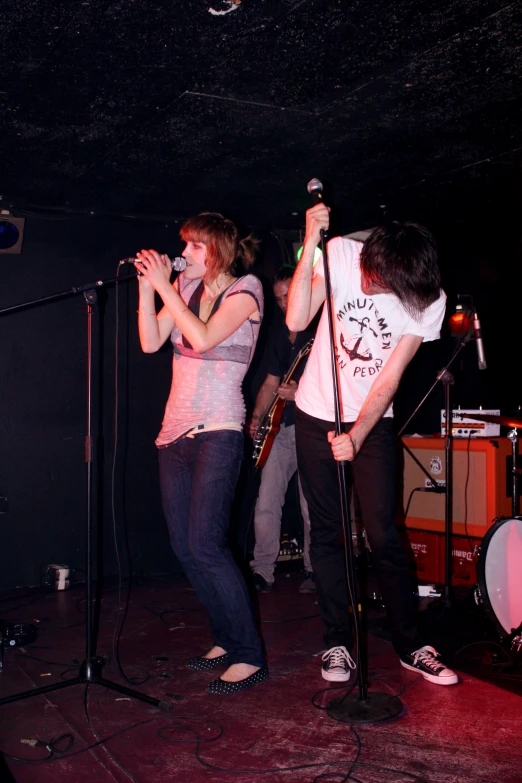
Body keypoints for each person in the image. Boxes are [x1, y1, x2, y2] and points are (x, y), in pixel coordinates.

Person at [286, 202, 459, 686]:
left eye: (379, 284)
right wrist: (310, 243)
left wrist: (359, 435)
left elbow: (390, 377)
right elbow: (297, 319)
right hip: (315, 410)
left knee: (384, 534)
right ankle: (338, 642)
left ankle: (411, 645)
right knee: (327, 531)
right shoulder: (340, 254)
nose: (366, 285)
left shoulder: (428, 301)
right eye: (369, 273)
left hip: (371, 420)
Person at [135, 212, 268, 695]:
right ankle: (227, 637)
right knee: (186, 548)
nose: (184, 254)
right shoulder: (183, 290)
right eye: (184, 245)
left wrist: (165, 287)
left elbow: (205, 337)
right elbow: (151, 342)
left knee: (207, 545)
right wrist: (149, 287)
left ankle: (250, 655)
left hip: (219, 428)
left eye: (194, 246)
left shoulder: (246, 290)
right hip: (173, 433)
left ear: (218, 250)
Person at [248, 266, 316, 593]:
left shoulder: (322, 330)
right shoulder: (279, 335)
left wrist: (300, 390)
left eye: (289, 295)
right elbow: (271, 383)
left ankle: (316, 570)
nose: (284, 303)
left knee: (311, 506)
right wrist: (258, 415)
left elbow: (337, 384)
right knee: (266, 501)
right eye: (278, 299)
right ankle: (262, 569)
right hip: (281, 429)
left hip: (314, 429)